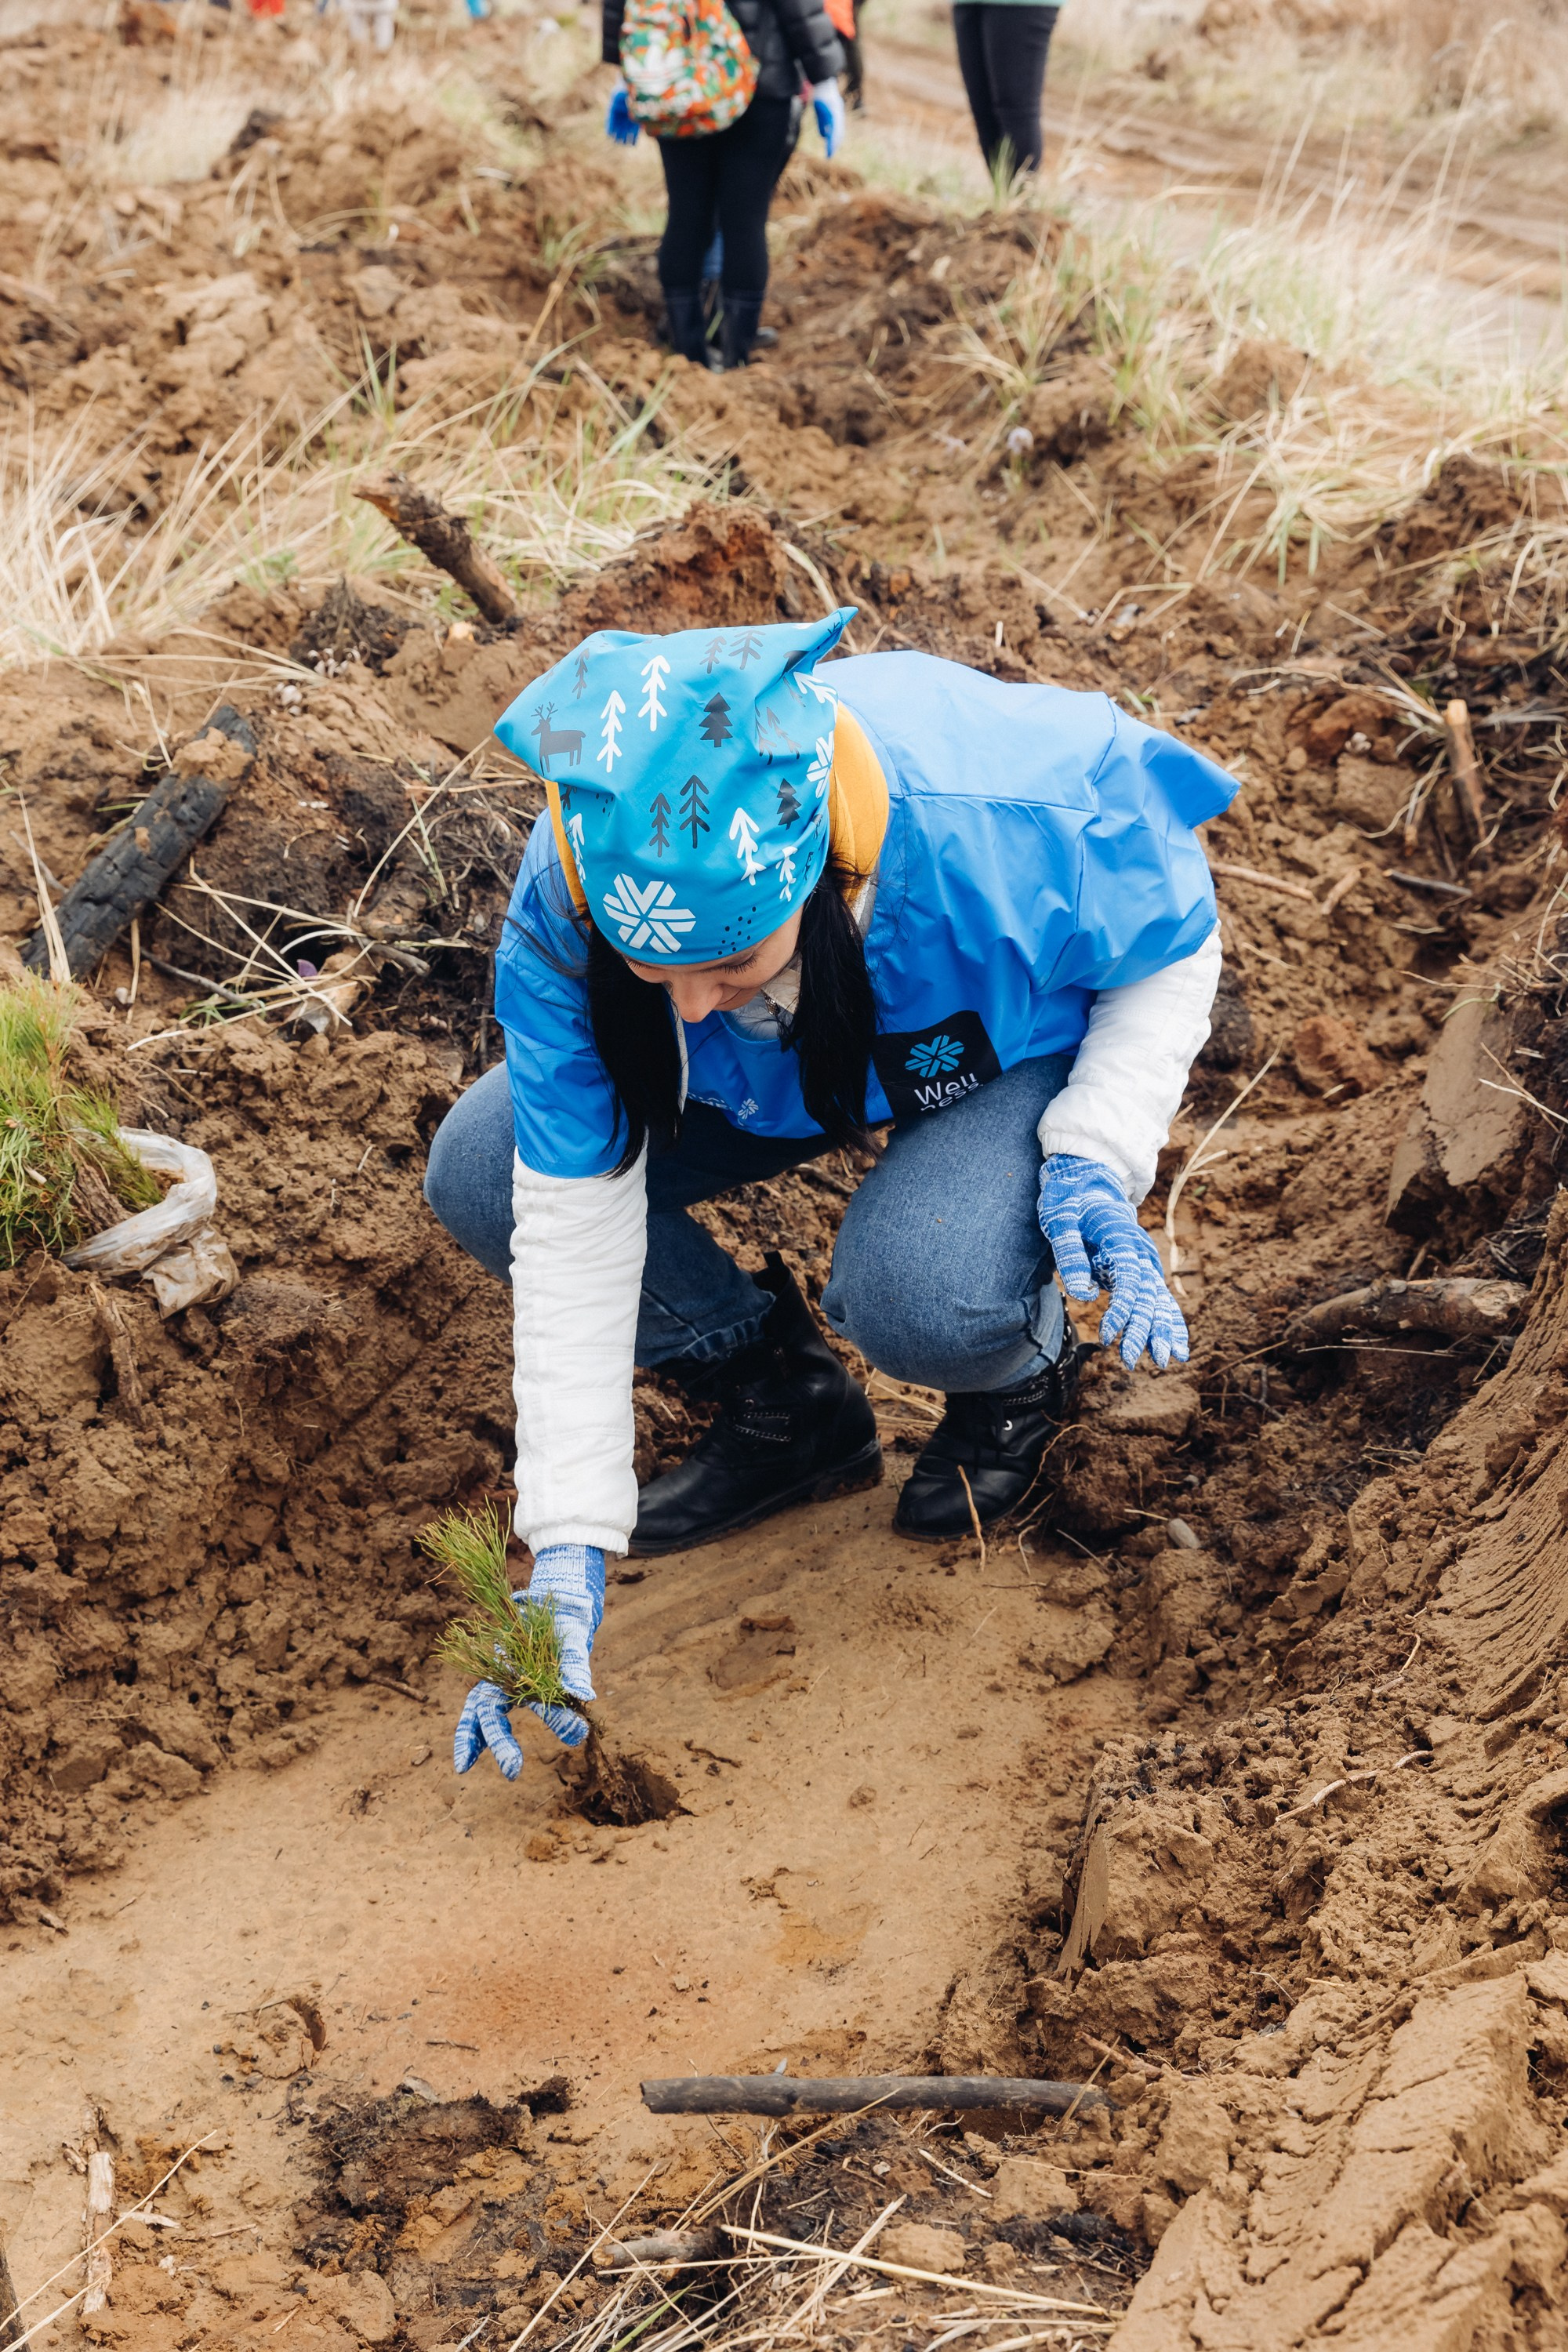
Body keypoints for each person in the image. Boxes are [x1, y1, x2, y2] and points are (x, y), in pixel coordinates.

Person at [424, 612, 1234, 1784]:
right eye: (655, 975)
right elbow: (571, 1220)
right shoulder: (579, 886)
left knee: (918, 1290)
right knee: (486, 1170)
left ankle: (1012, 1375)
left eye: (730, 963)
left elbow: (1171, 941)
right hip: (763, 1083)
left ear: (815, 872)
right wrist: (566, 1546)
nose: (688, 1007)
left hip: (988, 1044)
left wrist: (1093, 1153)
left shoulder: (1009, 817)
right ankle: (785, 1402)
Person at [603, 0, 844, 369]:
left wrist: (626, 76)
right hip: (761, 80)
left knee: (685, 217)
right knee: (745, 222)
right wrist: (825, 81)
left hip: (676, 82)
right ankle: (735, 358)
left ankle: (688, 354)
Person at [953, 0, 1058, 180]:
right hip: (968, 2)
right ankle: (1002, 200)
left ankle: (1021, 204)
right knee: (983, 107)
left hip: (1023, 5)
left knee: (1015, 110)